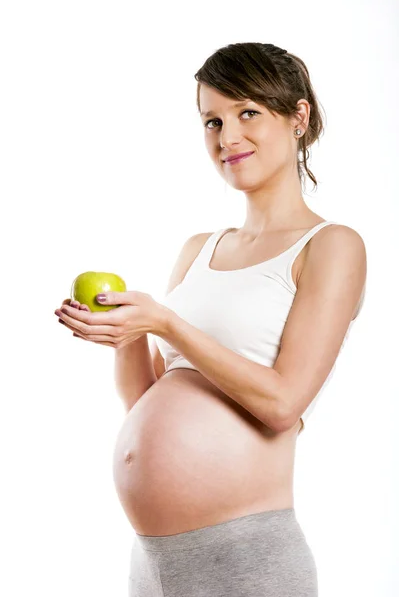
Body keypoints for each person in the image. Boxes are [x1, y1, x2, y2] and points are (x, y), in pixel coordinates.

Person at [55, 42, 367, 596]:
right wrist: (129, 334)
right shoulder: (200, 248)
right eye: (212, 121)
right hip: (151, 561)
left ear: (299, 116)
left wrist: (167, 324)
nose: (227, 138)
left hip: (246, 555)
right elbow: (145, 402)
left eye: (249, 113)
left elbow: (281, 404)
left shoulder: (331, 246)